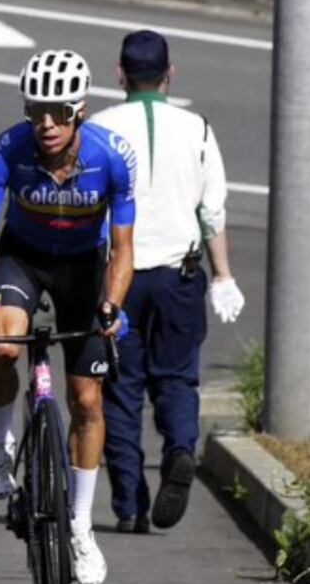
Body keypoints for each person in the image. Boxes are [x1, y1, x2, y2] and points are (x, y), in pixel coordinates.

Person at [0, 50, 137, 584]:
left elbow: (124, 248)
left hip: (84, 267)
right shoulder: (7, 151)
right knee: (2, 345)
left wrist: (113, 303)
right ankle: (1, 444)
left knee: (86, 398)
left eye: (58, 112)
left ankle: (81, 525)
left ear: (79, 110)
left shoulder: (112, 157)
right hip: (23, 260)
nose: (46, 123)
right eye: (36, 110)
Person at [89, 30, 243, 534]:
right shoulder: (197, 128)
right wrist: (222, 276)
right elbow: (211, 211)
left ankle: (130, 503)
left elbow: (89, 209)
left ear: (120, 74)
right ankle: (179, 448)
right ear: (169, 74)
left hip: (120, 278)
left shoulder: (99, 129)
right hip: (181, 275)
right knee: (176, 378)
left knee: (120, 387)